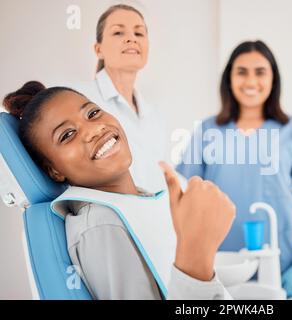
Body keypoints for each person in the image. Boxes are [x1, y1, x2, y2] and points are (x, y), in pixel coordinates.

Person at [3, 81, 235, 300]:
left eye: (92, 113)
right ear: (54, 171)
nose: (94, 130)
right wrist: (197, 254)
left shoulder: (141, 199)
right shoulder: (101, 224)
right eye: (67, 135)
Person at [176, 40, 292, 298]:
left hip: (280, 266)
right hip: (219, 265)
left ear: (273, 78)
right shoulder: (207, 130)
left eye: (260, 72)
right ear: (229, 79)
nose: (251, 81)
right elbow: (191, 203)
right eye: (241, 72)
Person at [68, 4, 167, 192]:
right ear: (98, 50)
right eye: (118, 33)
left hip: (151, 215)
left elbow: (158, 174)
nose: (131, 38)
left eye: (139, 34)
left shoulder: (155, 115)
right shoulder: (78, 99)